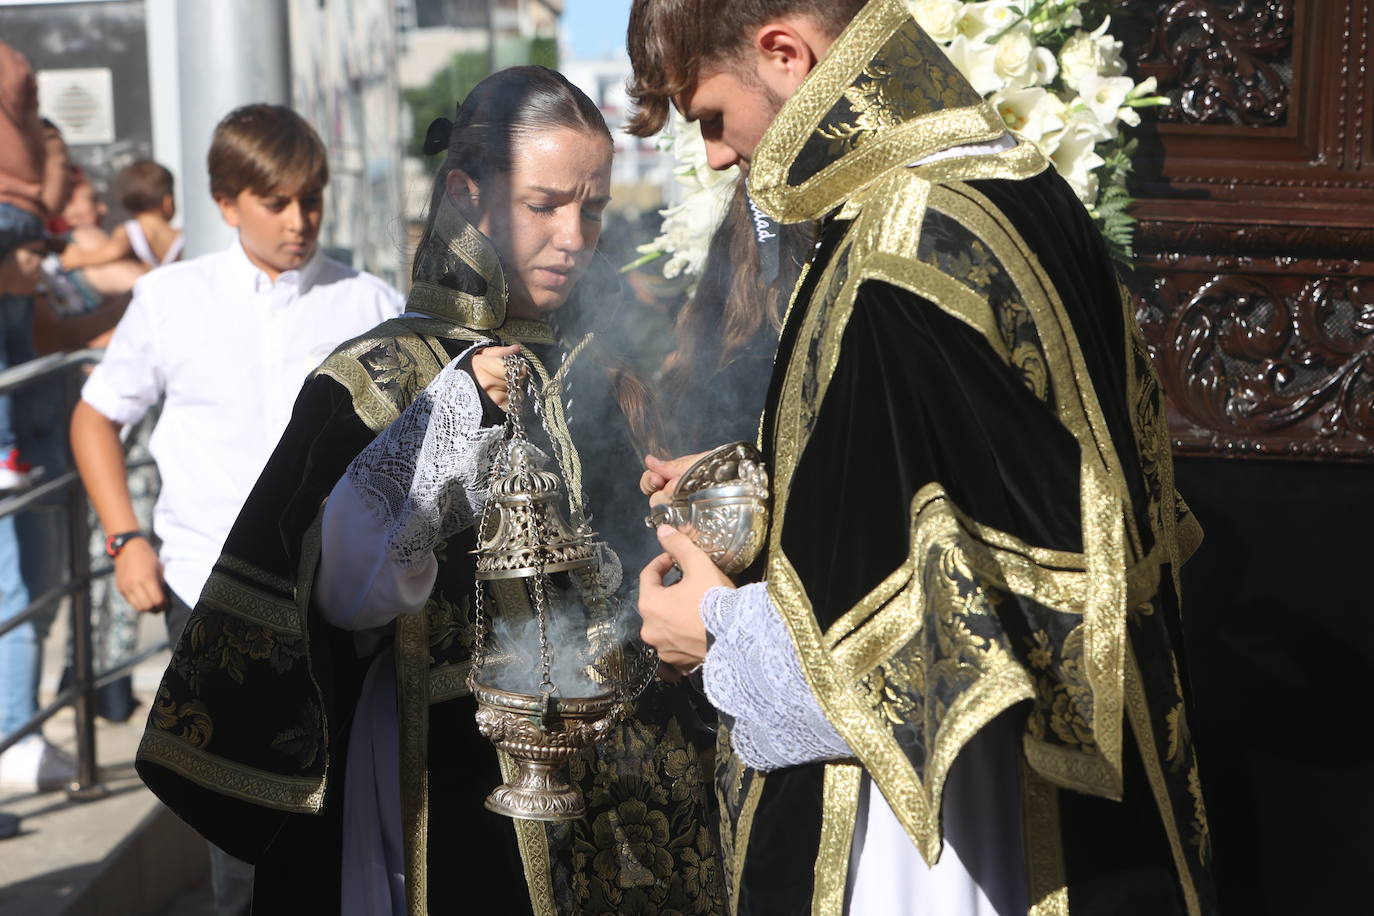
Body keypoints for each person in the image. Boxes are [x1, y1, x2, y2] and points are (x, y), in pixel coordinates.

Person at [630, 1, 1217, 914]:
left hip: (947, 836)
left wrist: (713, 630)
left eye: (710, 116)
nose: (713, 154)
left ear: (784, 54)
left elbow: (938, 646)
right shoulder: (1011, 182)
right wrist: (765, 482)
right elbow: (987, 477)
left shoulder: (896, 252)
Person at [134, 67, 722, 916]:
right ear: (468, 197)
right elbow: (342, 591)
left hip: (617, 766)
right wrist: (448, 418)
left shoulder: (600, 360)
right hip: (445, 763)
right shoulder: (385, 371)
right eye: (543, 205)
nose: (573, 237)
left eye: (591, 210)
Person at [71, 103, 405, 916]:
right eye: (276, 202)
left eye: (311, 200)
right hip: (207, 591)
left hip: (337, 599)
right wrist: (124, 539)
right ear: (227, 203)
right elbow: (95, 417)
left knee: (343, 816)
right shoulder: (169, 297)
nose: (299, 221)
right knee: (238, 835)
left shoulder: (369, 302)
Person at [61, 159, 182, 271]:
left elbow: (115, 250)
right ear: (168, 203)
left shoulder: (131, 230)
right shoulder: (179, 235)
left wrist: (81, 258)